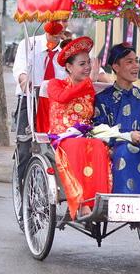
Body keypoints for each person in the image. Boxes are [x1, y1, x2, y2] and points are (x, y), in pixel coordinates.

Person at [47, 36, 111, 219]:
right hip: (62, 138)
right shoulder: (55, 84)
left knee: (99, 146)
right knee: (78, 146)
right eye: (82, 64)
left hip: (86, 135)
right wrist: (88, 82)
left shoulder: (89, 87)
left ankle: (99, 201)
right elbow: (63, 97)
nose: (88, 67)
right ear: (68, 67)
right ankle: (82, 203)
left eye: (89, 63)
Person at [93, 43, 140, 194]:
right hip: (116, 146)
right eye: (129, 62)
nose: (136, 66)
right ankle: (124, 198)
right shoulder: (103, 98)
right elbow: (99, 127)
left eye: (136, 61)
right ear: (116, 66)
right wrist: (126, 137)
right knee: (126, 150)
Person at [12, 20, 68, 194]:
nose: (60, 24)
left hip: (58, 107)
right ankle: (23, 196)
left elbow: (85, 69)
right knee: (25, 149)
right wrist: (24, 79)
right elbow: (20, 68)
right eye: (56, 20)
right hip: (30, 102)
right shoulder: (29, 44)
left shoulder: (69, 49)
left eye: (64, 20)